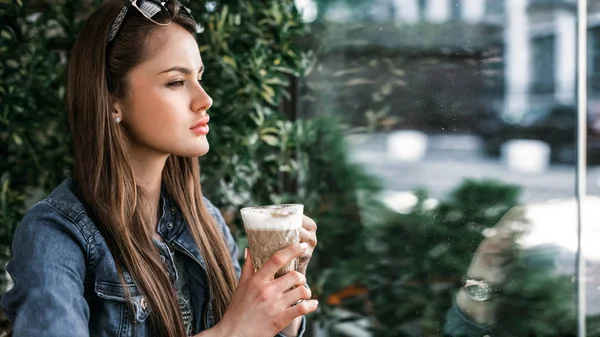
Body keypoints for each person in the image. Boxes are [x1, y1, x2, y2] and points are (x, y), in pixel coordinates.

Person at [0, 1, 318, 336]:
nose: (205, 98)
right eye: (176, 82)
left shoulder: (204, 220)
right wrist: (232, 330)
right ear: (112, 101)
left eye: (199, 77)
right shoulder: (55, 235)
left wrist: (284, 292)